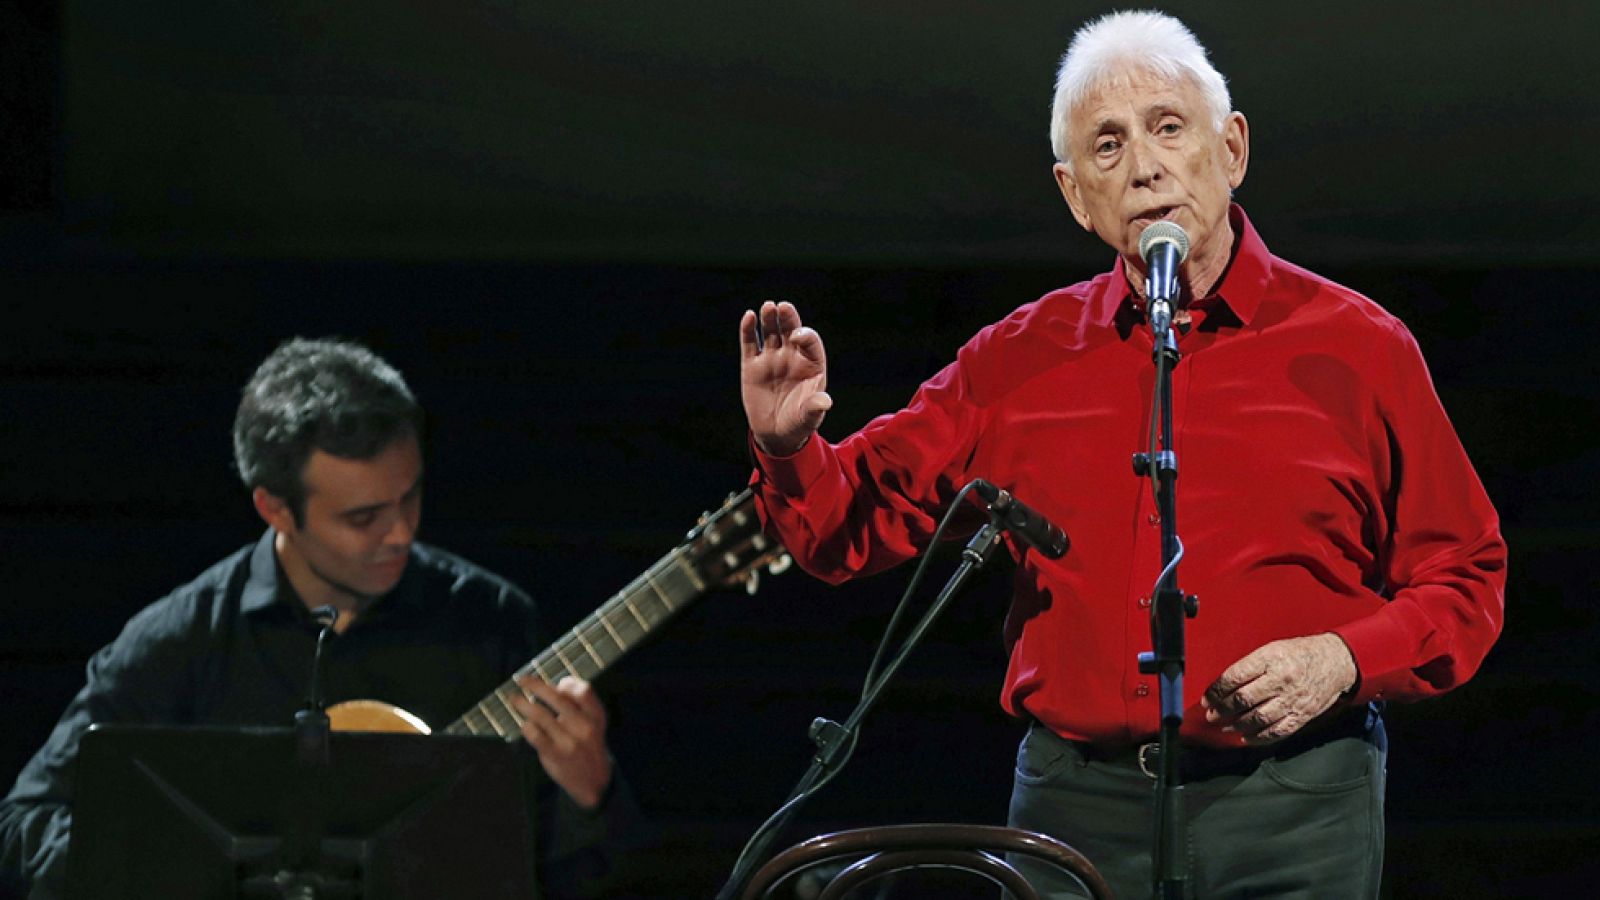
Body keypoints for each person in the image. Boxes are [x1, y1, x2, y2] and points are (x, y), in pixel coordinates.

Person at [737, 10, 1505, 898]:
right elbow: (849, 526)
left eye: (1168, 128)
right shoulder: (1016, 361)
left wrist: (1342, 657)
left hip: (1297, 805)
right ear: (1076, 196)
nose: (1143, 166)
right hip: (1076, 809)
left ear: (1231, 149)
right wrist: (789, 447)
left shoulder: (1359, 347)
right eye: (1108, 146)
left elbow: (1466, 577)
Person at [0, 338, 636, 899]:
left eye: (410, 496)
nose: (401, 532)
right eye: (364, 517)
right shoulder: (185, 640)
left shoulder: (492, 621)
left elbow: (586, 877)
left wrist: (592, 795)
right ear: (275, 509)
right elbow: (24, 823)